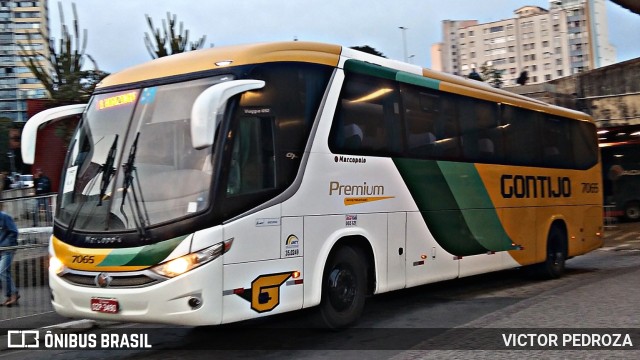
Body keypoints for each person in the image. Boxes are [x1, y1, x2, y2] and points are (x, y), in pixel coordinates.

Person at [0, 206, 19, 306]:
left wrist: (7, 245)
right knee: (4, 272)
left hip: (7, 249)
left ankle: (12, 295)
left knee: (2, 271)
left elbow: (14, 231)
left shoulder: (5, 217)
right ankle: (11, 295)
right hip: (1, 249)